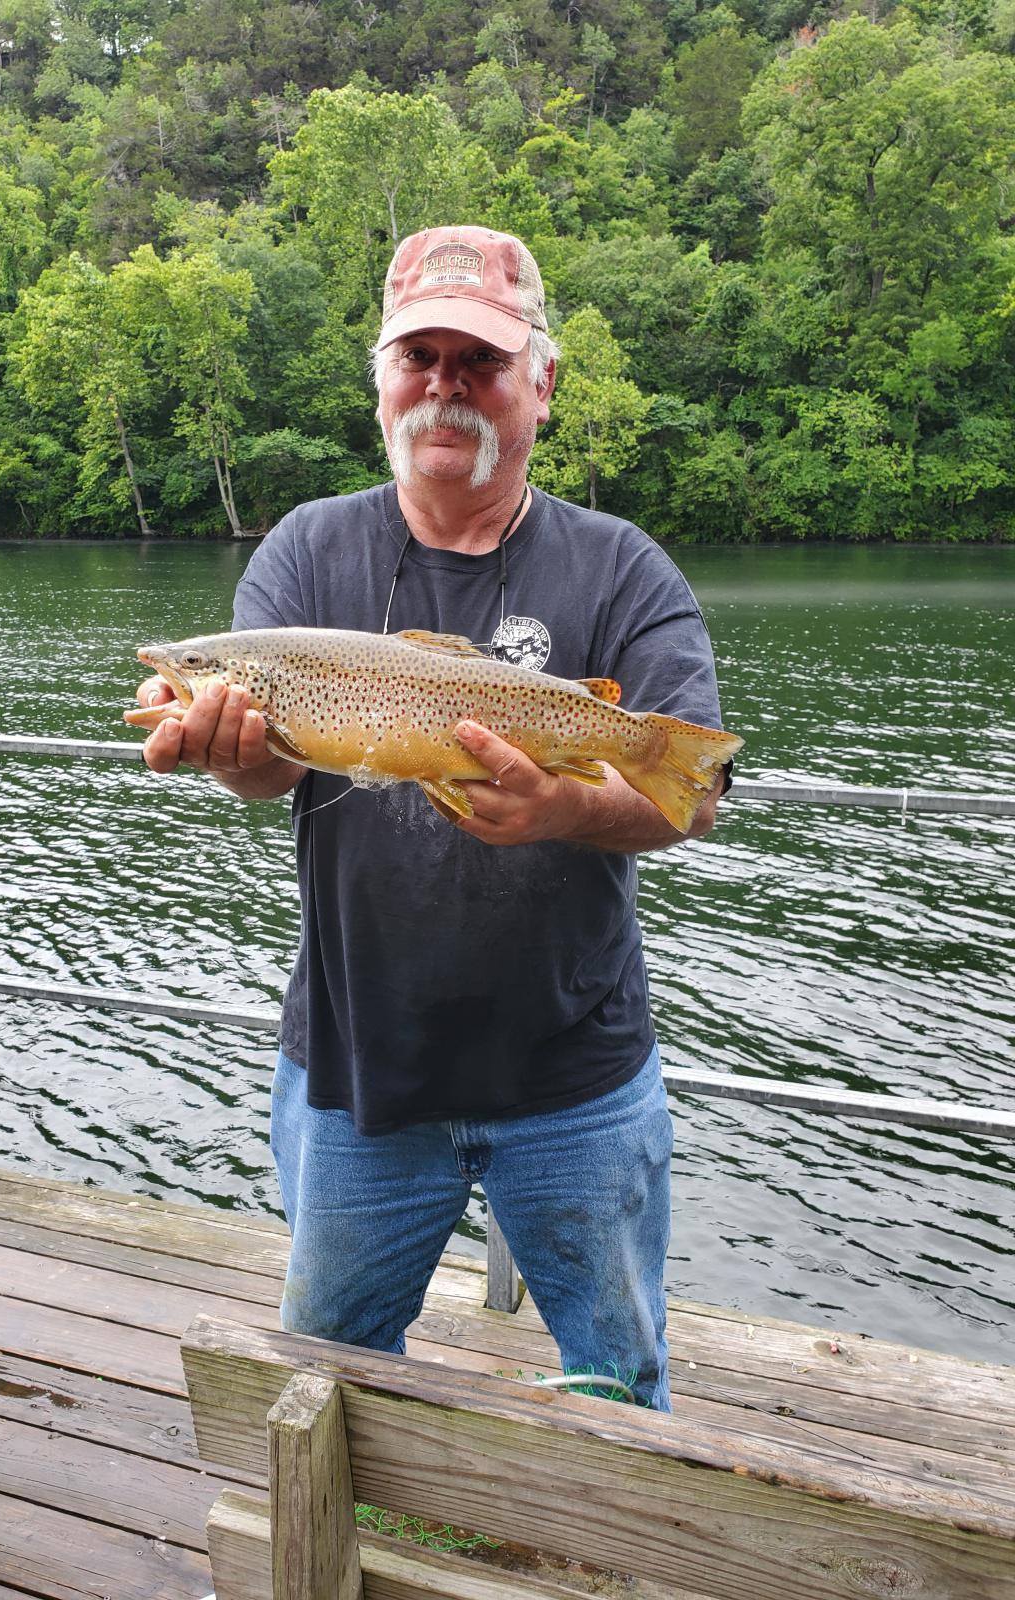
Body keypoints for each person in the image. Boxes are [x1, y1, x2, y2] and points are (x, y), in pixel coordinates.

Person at [138, 225, 733, 1412]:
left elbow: (694, 791)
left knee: (620, 1378)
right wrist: (229, 756)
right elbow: (273, 772)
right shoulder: (306, 551)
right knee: (327, 1381)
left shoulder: (624, 568)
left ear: (541, 385)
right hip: (359, 1070)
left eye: (482, 359)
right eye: (421, 356)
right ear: (381, 383)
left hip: (576, 1072)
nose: (446, 384)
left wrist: (566, 803)